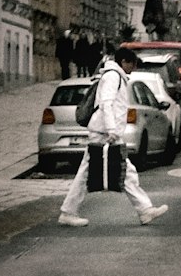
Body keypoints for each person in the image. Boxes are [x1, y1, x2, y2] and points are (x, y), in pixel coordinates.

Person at [58, 46, 169, 228]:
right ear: (124, 62)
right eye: (132, 64)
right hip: (105, 134)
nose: (133, 68)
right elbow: (106, 104)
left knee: (124, 172)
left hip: (107, 133)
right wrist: (111, 130)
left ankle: (144, 210)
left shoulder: (114, 76)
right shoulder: (112, 76)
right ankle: (68, 212)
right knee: (97, 172)